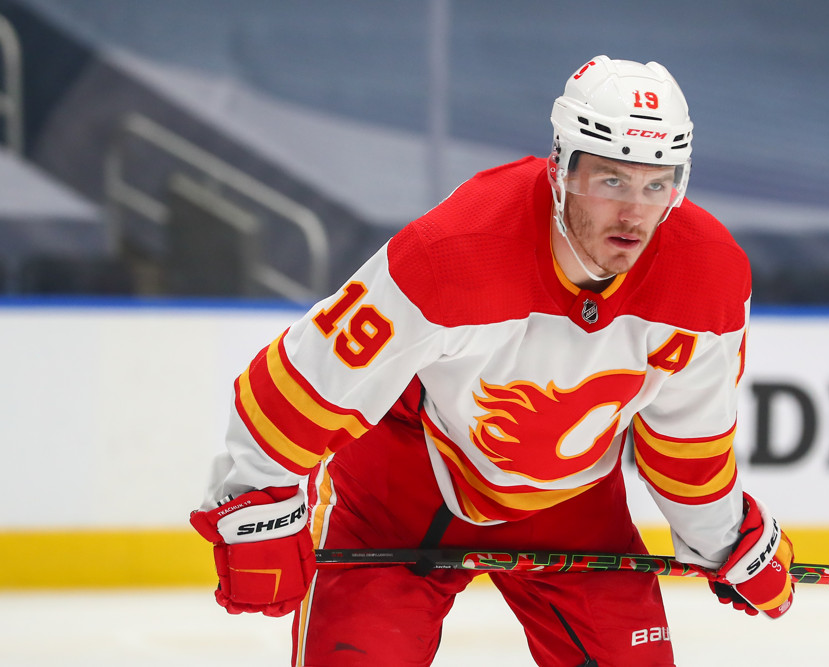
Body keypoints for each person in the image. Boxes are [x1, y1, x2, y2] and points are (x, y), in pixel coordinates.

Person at [190, 55, 794, 666]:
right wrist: (256, 500)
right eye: (611, 181)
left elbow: (686, 441)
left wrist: (726, 540)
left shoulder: (707, 276)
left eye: (655, 184)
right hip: (402, 494)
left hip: (572, 506)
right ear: (561, 167)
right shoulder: (455, 252)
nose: (635, 214)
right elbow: (307, 379)